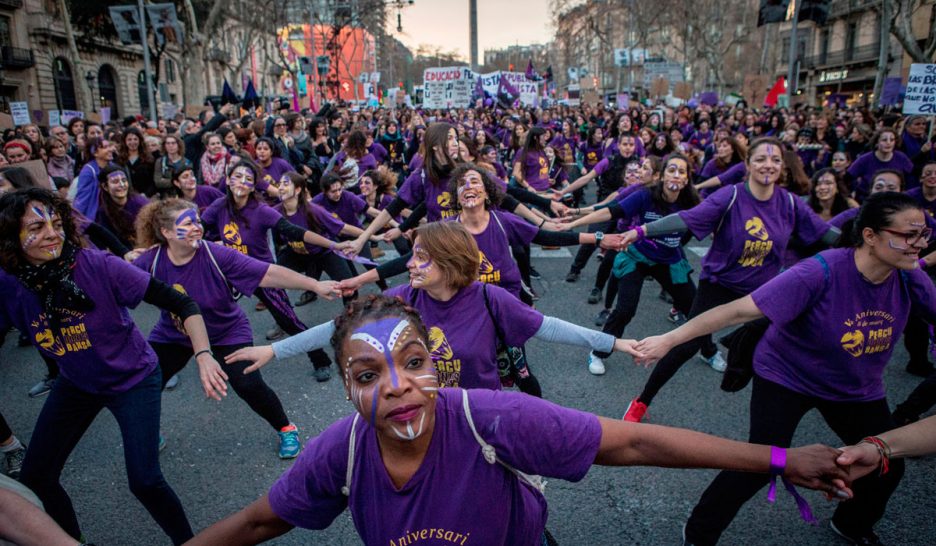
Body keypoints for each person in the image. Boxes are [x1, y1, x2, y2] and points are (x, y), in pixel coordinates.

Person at [188, 294, 851, 545]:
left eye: (412, 361)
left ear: (436, 366)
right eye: (367, 376)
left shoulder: (494, 418)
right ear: (346, 387)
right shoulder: (344, 454)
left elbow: (636, 443)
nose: (396, 387)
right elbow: (258, 520)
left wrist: (781, 459)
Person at [635, 191, 935, 546]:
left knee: (887, 463)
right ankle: (699, 532)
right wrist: (669, 339)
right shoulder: (819, 271)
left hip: (856, 388)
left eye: (925, 234)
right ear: (869, 235)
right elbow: (739, 310)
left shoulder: (908, 276)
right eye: (909, 235)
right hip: (787, 377)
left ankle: (851, 524)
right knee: (763, 460)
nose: (920, 244)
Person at [0, 188, 217, 544]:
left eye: (56, 223)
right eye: (36, 228)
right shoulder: (8, 284)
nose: (52, 234)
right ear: (11, 236)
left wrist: (204, 355)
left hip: (133, 378)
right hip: (77, 384)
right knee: (36, 477)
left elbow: (182, 304)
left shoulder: (98, 265)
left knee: (145, 481)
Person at [616, 137, 840, 422]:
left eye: (774, 160)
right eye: (760, 159)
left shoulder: (790, 204)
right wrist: (641, 231)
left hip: (762, 290)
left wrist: (866, 241)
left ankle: (744, 359)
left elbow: (826, 234)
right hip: (720, 285)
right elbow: (686, 218)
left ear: (782, 166)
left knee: (787, 339)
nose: (767, 165)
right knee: (687, 344)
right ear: (747, 165)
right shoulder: (731, 196)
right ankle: (641, 401)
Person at [132, 198, 340, 458]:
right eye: (188, 223)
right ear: (166, 232)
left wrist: (315, 285)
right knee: (146, 381)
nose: (198, 227)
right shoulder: (151, 262)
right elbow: (115, 282)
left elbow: (268, 273)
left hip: (226, 332)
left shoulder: (215, 254)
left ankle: (286, 428)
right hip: (175, 334)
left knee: (248, 383)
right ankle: (149, 431)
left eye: (198, 220)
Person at [201, 160, 351, 382]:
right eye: (237, 176)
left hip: (261, 274)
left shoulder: (261, 211)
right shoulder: (220, 206)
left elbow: (296, 232)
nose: (242, 182)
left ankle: (320, 359)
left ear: (253, 187)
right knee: (205, 306)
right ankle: (211, 357)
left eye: (248, 179)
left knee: (288, 321)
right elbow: (198, 228)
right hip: (229, 273)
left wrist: (333, 245)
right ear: (228, 180)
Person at [560, 154, 701, 376]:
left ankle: (709, 350)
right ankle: (598, 352)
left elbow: (702, 226)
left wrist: (676, 246)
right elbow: (610, 211)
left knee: (695, 308)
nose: (676, 175)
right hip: (638, 257)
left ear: (686, 179)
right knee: (625, 310)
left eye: (681, 172)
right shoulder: (645, 195)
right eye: (671, 170)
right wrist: (574, 222)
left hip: (669, 261)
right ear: (662, 176)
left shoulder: (692, 201)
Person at [94, 165, 149, 249]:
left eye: (124, 180)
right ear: (105, 187)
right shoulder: (103, 211)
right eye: (115, 182)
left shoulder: (141, 204)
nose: (122, 185)